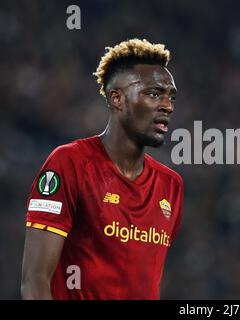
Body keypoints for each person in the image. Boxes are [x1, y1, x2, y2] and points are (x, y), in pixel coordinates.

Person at [20, 38, 184, 300]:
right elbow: (35, 281)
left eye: (171, 97)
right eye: (154, 94)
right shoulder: (69, 163)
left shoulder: (171, 185)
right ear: (117, 98)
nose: (168, 106)